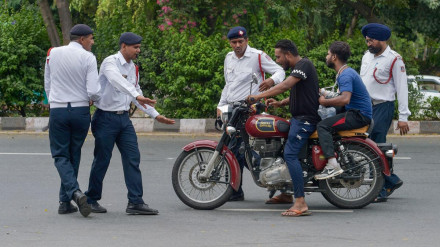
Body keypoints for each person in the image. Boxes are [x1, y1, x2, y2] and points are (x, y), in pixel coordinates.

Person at [84, 32, 175, 215]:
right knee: (102, 160)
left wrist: (156, 116)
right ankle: (91, 199)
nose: (138, 50)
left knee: (133, 158)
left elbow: (136, 92)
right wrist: (136, 95)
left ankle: (135, 202)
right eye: (135, 47)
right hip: (105, 119)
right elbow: (118, 83)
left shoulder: (133, 68)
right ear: (124, 46)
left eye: (139, 47)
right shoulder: (110, 62)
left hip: (123, 120)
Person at [247, 39, 321, 217]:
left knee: (290, 154)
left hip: (305, 120)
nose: (278, 60)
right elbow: (300, 93)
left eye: (279, 57)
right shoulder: (300, 68)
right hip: (298, 118)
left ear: (288, 54)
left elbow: (286, 85)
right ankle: (286, 194)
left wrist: (258, 96)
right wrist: (280, 103)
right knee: (281, 150)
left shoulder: (303, 65)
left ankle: (300, 202)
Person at [218, 26, 285, 201]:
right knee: (237, 148)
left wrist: (270, 80)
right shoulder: (228, 58)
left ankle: (238, 188)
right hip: (233, 110)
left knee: (236, 148)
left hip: (250, 109)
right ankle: (241, 187)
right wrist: (221, 105)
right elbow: (228, 85)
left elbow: (280, 71)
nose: (238, 45)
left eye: (241, 41)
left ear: (247, 40)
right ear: (230, 43)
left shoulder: (257, 56)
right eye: (234, 42)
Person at [44, 24, 100, 217]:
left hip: (58, 110)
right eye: (91, 39)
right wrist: (93, 99)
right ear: (82, 39)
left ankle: (72, 194)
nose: (92, 42)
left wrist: (55, 101)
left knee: (60, 156)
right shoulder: (88, 58)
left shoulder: (53, 53)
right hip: (80, 111)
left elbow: (48, 82)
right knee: (73, 154)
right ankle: (65, 201)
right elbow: (93, 90)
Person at [360, 23, 410, 202]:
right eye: (367, 41)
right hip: (365, 106)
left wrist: (403, 117)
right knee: (365, 145)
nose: (368, 44)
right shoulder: (367, 56)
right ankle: (391, 180)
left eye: (371, 41)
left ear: (382, 40)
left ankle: (382, 187)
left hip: (383, 106)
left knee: (377, 146)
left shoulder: (394, 59)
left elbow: (402, 88)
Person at [314, 41, 372, 180]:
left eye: (328, 54)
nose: (326, 57)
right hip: (355, 111)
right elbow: (340, 96)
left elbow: (345, 99)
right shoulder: (346, 72)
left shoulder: (345, 75)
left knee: (322, 126)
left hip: (358, 115)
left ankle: (332, 164)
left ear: (334, 57)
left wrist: (324, 101)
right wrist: (322, 92)